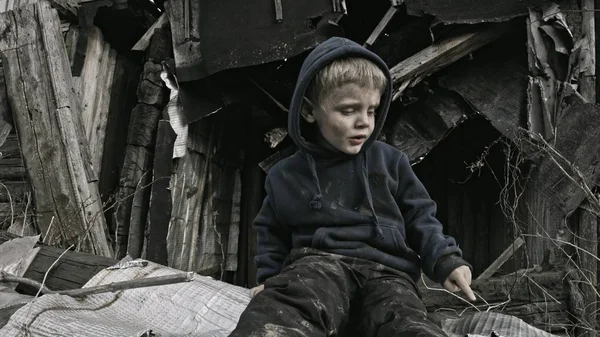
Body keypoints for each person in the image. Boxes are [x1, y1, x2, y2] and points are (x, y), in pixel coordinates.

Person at [228, 36, 475, 337]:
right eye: (348, 111)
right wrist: (270, 280)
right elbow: (271, 233)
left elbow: (421, 218)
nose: (364, 123)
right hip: (319, 267)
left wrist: (446, 260)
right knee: (283, 308)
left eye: (371, 111)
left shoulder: (391, 163)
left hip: (389, 275)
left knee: (405, 320)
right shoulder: (285, 176)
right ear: (309, 111)